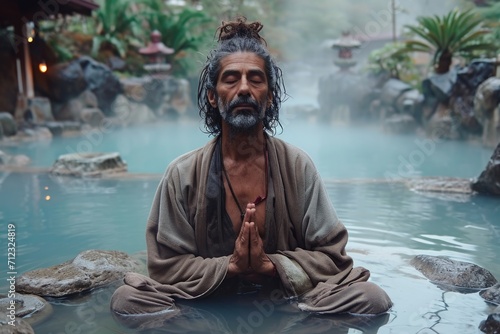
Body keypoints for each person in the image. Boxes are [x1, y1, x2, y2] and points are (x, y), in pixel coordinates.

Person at [110, 16, 392, 330]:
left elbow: (333, 256)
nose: (244, 88)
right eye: (231, 78)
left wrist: (271, 265)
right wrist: (229, 267)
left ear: (270, 95)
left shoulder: (297, 166)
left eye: (255, 79)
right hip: (206, 298)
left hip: (284, 299)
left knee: (371, 299)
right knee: (128, 300)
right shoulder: (183, 173)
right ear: (213, 96)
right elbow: (165, 266)